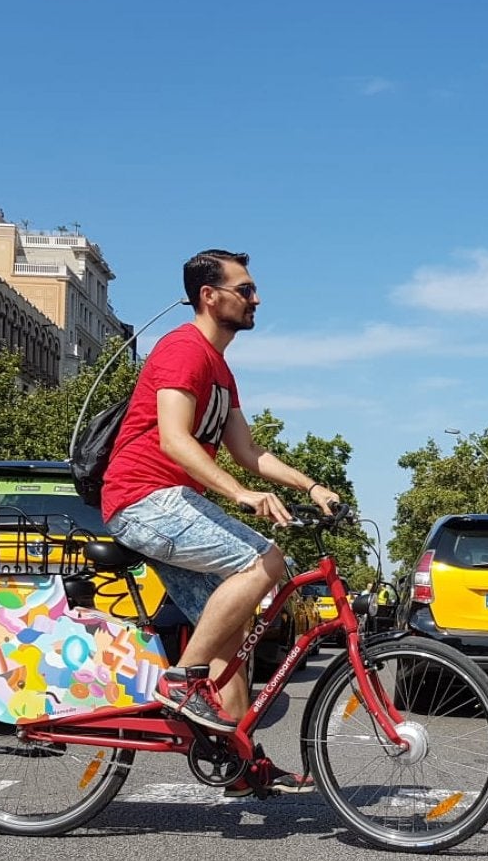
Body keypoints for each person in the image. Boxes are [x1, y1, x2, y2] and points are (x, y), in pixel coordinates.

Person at [101, 249, 341, 796]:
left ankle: (240, 763)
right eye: (246, 289)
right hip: (143, 498)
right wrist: (240, 494)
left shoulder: (220, 368)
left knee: (232, 639)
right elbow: (174, 439)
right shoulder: (183, 350)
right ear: (210, 296)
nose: (256, 299)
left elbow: (248, 449)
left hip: (167, 503)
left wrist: (310, 485)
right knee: (267, 560)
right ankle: (183, 683)